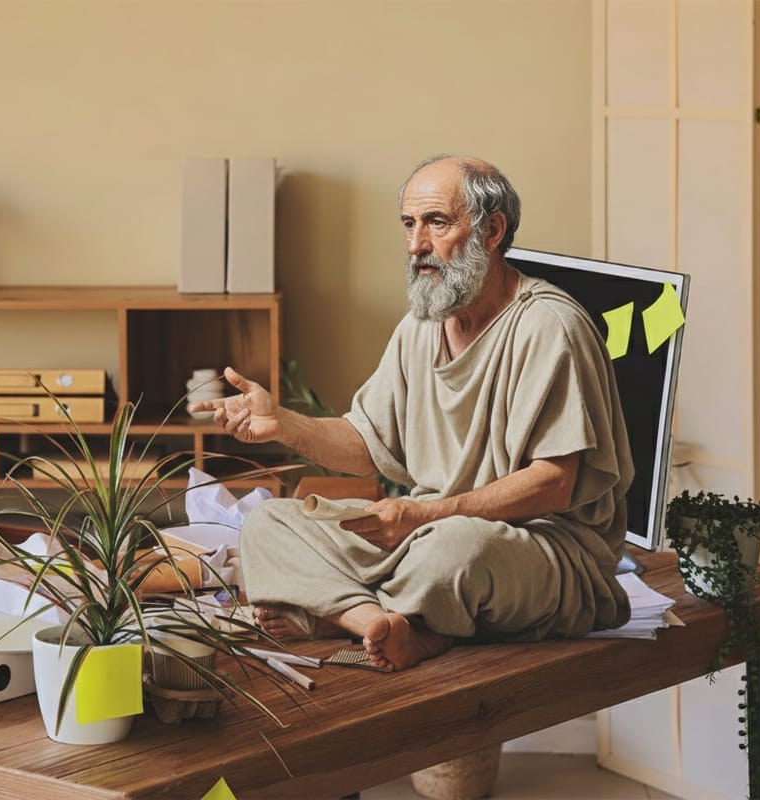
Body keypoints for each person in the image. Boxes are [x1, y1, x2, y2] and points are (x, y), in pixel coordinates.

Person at [189, 155, 633, 671]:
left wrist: (423, 515)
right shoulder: (421, 327)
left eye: (436, 222)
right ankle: (376, 621)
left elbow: (554, 485)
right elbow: (367, 445)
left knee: (456, 553)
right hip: (428, 533)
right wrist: (283, 424)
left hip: (538, 548)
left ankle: (345, 610)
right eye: (409, 223)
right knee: (268, 524)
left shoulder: (550, 327)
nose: (417, 243)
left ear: (492, 231)